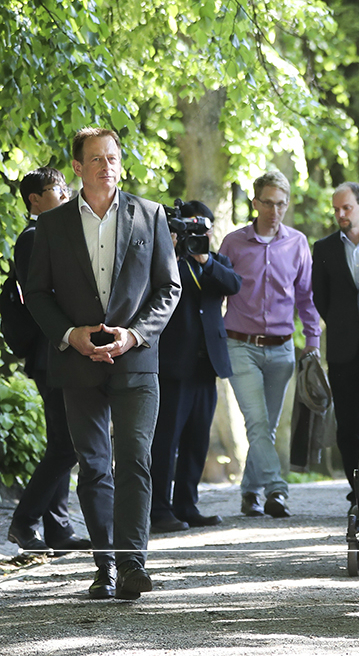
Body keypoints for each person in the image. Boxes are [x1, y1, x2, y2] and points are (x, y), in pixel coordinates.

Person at [25, 128, 181, 600]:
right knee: (94, 466)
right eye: (95, 159)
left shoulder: (149, 214)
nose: (105, 166)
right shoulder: (51, 227)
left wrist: (134, 334)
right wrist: (71, 336)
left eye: (111, 157)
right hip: (78, 362)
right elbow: (36, 294)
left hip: (136, 359)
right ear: (77, 167)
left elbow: (167, 288)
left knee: (134, 459)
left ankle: (134, 565)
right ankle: (105, 567)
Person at [219, 170, 321, 519]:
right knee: (257, 421)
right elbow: (214, 291)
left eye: (281, 204)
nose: (274, 210)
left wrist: (312, 339)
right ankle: (277, 488)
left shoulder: (297, 243)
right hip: (239, 345)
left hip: (281, 349)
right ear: (255, 202)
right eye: (268, 202)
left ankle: (250, 492)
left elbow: (306, 298)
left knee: (266, 425)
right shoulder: (233, 243)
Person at [7, 168, 91, 555]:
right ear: (34, 200)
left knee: (64, 441)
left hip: (61, 350)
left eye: (64, 188)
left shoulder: (53, 233)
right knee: (66, 444)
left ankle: (57, 527)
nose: (65, 194)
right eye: (56, 190)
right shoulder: (33, 237)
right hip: (48, 353)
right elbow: (43, 293)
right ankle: (24, 522)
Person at [150, 201, 241, 533]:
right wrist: (173, 250)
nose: (199, 235)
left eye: (204, 229)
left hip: (207, 365)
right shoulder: (167, 260)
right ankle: (159, 508)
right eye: (193, 229)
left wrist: (204, 258)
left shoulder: (216, 261)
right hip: (175, 364)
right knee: (167, 439)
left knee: (197, 439)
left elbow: (234, 285)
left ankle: (186, 505)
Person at [311, 182, 359, 495]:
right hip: (343, 348)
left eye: (346, 208)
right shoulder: (325, 248)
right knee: (348, 425)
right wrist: (343, 324)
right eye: (337, 209)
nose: (341, 214)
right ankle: (358, 489)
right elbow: (321, 298)